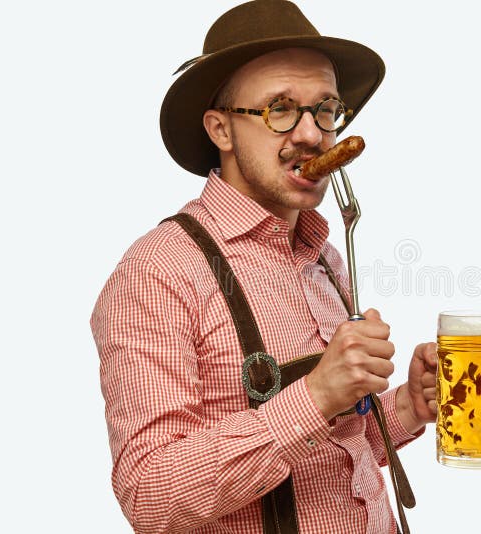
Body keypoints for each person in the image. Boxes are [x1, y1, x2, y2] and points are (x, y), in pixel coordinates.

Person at [90, 1, 437, 533]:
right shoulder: (157, 271)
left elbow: (339, 447)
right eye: (279, 108)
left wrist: (409, 407)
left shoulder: (321, 252)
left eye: (325, 109)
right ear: (221, 130)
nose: (312, 135)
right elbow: (151, 494)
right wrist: (317, 394)